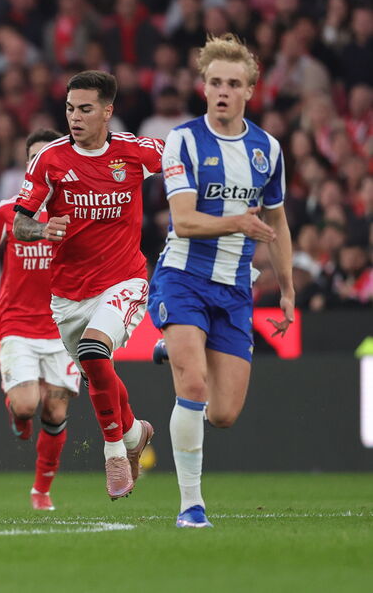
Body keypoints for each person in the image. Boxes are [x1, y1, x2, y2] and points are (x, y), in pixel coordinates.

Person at [148, 34, 293, 529]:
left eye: (234, 83)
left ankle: (177, 344)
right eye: (215, 82)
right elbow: (184, 221)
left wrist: (288, 287)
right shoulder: (183, 140)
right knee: (192, 384)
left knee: (224, 413)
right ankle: (191, 506)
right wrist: (236, 223)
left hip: (234, 290)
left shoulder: (266, 149)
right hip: (183, 277)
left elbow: (277, 220)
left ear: (251, 90)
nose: (223, 91)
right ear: (203, 87)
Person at [13, 70, 159, 501]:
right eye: (70, 109)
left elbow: (182, 164)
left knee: (96, 352)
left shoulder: (136, 152)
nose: (75, 117)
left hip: (125, 279)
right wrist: (42, 230)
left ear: (107, 112)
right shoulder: (51, 159)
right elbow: (20, 222)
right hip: (69, 295)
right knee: (99, 366)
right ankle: (134, 432)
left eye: (85, 109)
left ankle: (114, 452)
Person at [0, 128, 80, 511]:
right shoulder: (7, 210)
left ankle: (41, 490)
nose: (40, 163)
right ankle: (17, 413)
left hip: (64, 326)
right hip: (18, 324)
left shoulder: (76, 208)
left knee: (57, 409)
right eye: (33, 158)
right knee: (29, 405)